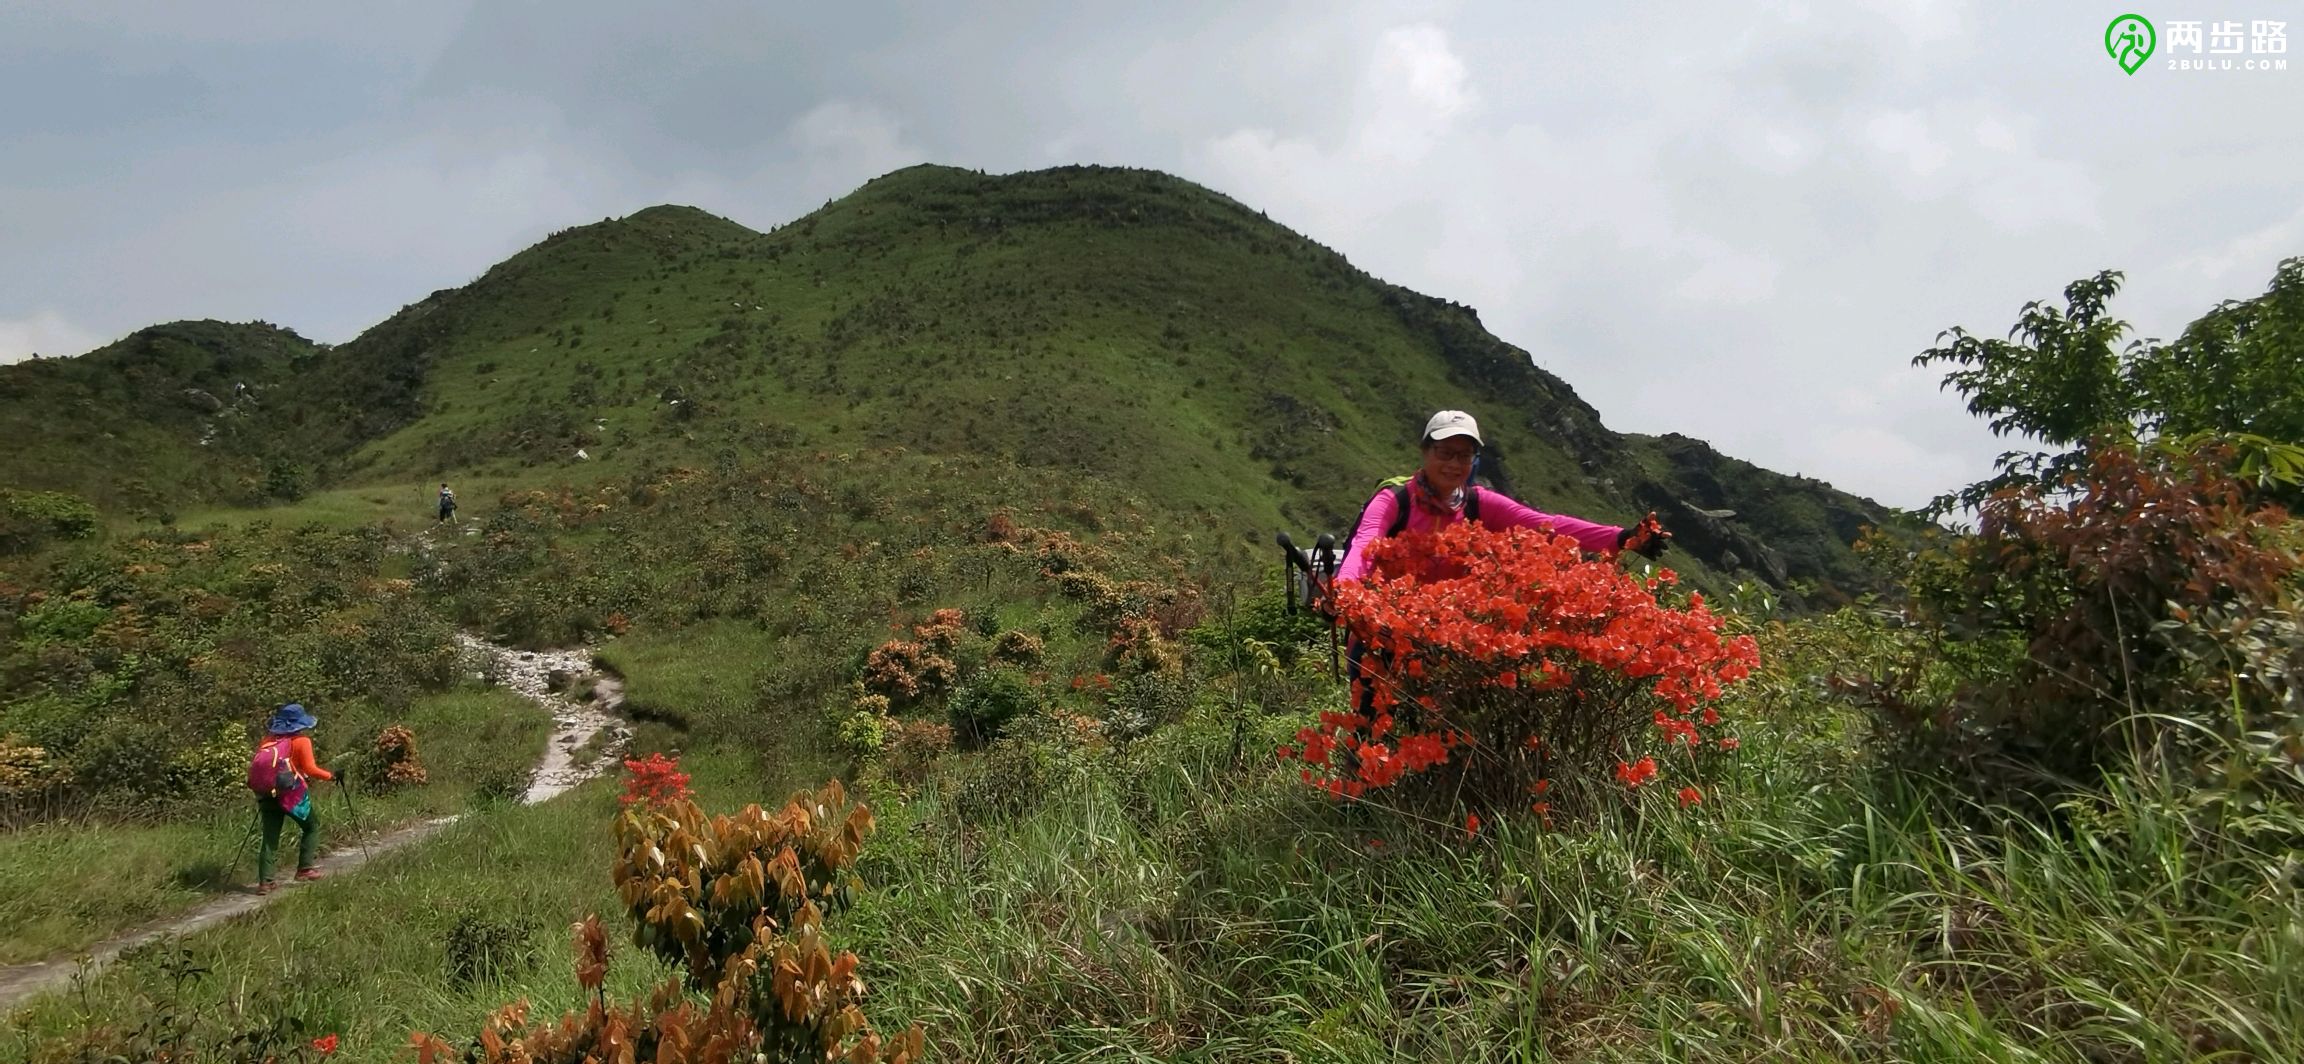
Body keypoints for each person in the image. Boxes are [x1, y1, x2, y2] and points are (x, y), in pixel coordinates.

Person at [1329, 409, 1671, 718]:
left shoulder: (1479, 504)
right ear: (1425, 452)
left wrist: (1622, 538)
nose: (1453, 463)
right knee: (1371, 729)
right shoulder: (1394, 500)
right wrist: (1346, 592)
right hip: (1384, 637)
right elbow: (1365, 543)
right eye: (1444, 452)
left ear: (1475, 460)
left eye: (1463, 455)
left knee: (1447, 733)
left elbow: (1546, 525)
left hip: (1453, 644)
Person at [251, 702, 335, 894]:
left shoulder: (268, 741)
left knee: (270, 838)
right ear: (299, 724)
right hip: (292, 795)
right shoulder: (301, 742)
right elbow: (310, 769)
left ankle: (265, 882)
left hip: (267, 795)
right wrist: (331, 776)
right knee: (311, 826)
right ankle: (305, 869)